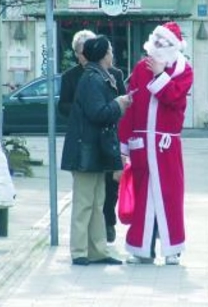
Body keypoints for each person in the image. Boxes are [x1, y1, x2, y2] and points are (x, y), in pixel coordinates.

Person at [118, 22, 194, 265]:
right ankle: (142, 249)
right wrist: (124, 143)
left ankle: (173, 249)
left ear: (174, 46)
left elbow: (173, 98)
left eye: (164, 43)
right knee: (143, 197)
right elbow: (130, 106)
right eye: (157, 41)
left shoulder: (184, 70)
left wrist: (160, 74)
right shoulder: (141, 67)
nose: (158, 47)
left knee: (169, 196)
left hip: (165, 145)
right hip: (142, 142)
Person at [60, 36, 132, 266]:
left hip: (94, 149)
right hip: (85, 150)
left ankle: (97, 250)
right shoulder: (92, 79)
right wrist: (119, 104)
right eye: (110, 51)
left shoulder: (99, 76)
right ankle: (80, 251)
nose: (113, 55)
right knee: (84, 202)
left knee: (98, 201)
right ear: (102, 54)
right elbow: (98, 113)